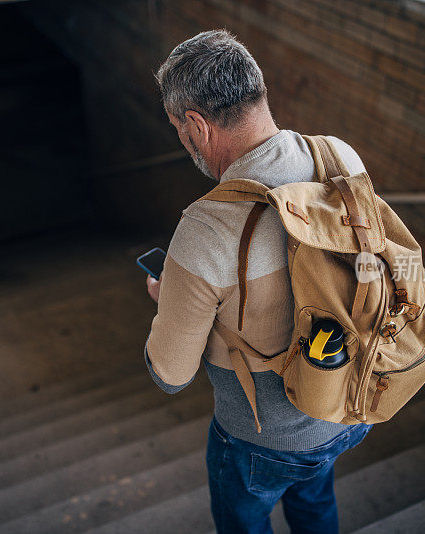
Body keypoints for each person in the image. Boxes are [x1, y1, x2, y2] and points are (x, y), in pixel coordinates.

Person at [143, 29, 372, 534]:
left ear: (196, 125)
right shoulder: (338, 158)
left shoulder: (206, 229)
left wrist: (170, 303)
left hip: (263, 442)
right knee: (315, 499)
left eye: (179, 131)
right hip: (352, 403)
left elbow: (170, 374)